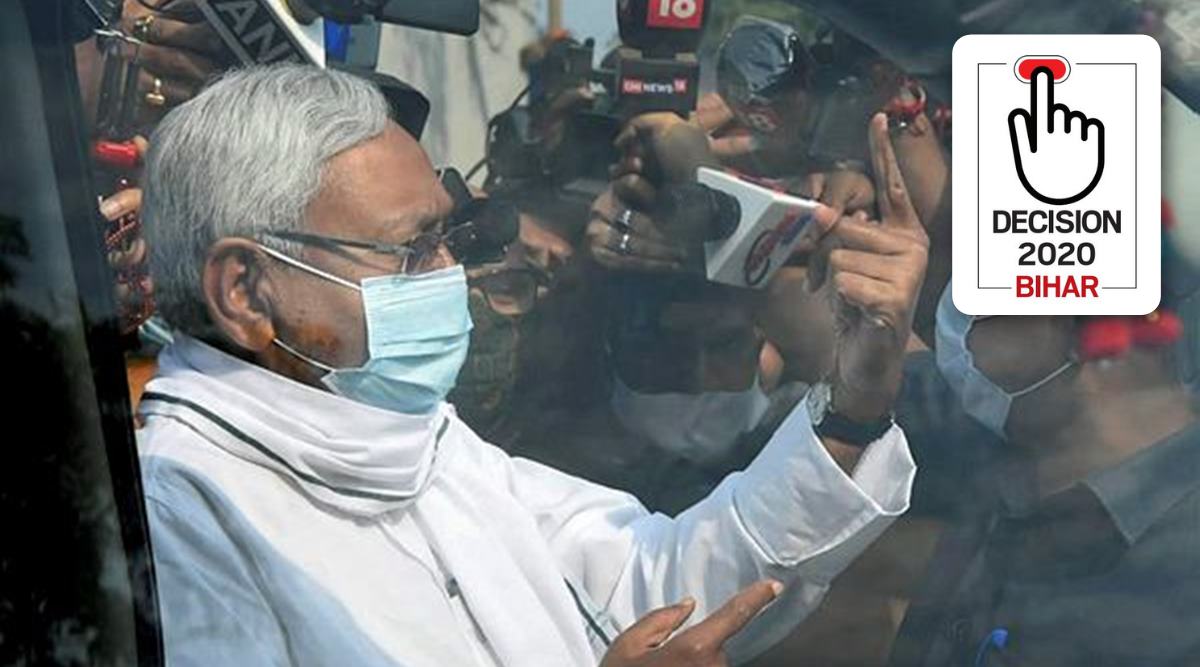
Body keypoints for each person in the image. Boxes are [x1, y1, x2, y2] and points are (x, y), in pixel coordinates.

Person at [137, 63, 923, 666]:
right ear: (245, 289)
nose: (450, 273)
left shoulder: (420, 442)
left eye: (450, 239)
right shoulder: (177, 513)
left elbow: (659, 586)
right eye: (411, 250)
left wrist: (854, 400)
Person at [887, 283, 1200, 666]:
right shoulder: (1014, 460)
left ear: (1071, 327)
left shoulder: (1181, 570)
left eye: (980, 311)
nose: (955, 337)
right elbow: (890, 376)